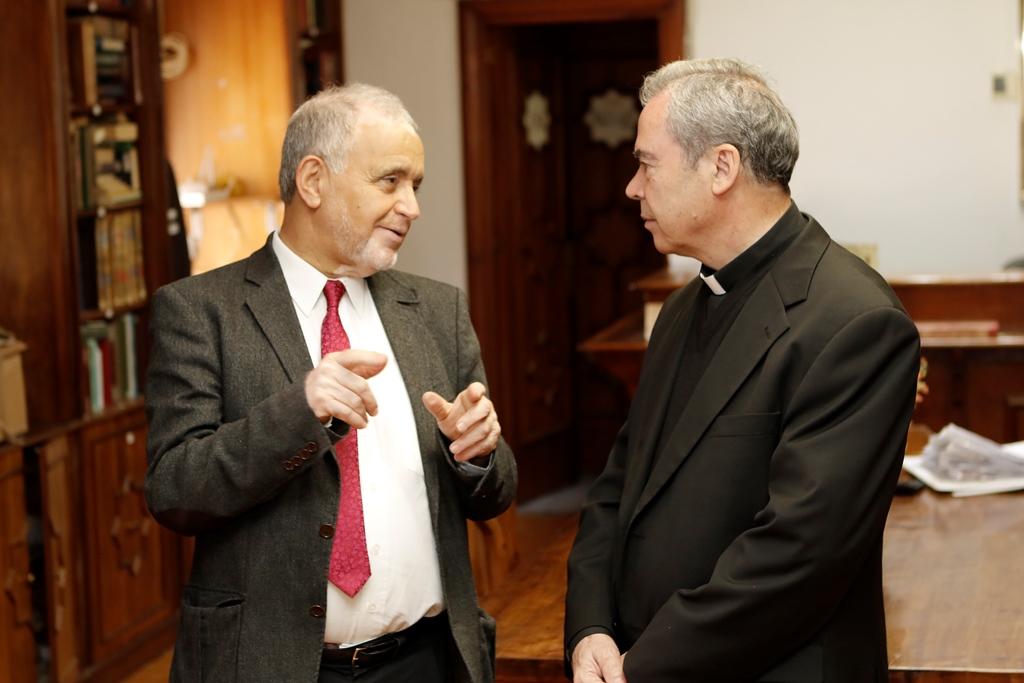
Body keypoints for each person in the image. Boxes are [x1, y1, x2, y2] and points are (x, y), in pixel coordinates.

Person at [145, 83, 516, 683]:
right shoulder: (200, 311)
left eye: (415, 186)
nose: (411, 207)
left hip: (425, 662)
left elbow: (495, 492)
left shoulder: (437, 311)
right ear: (314, 181)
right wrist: (300, 414)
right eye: (390, 181)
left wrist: (476, 455)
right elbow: (174, 489)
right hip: (269, 667)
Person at [564, 58, 920, 683]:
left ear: (721, 168)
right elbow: (619, 486)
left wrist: (644, 665)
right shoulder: (680, 310)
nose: (632, 188)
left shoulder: (855, 321)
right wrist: (590, 626)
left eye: (647, 164)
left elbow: (800, 556)